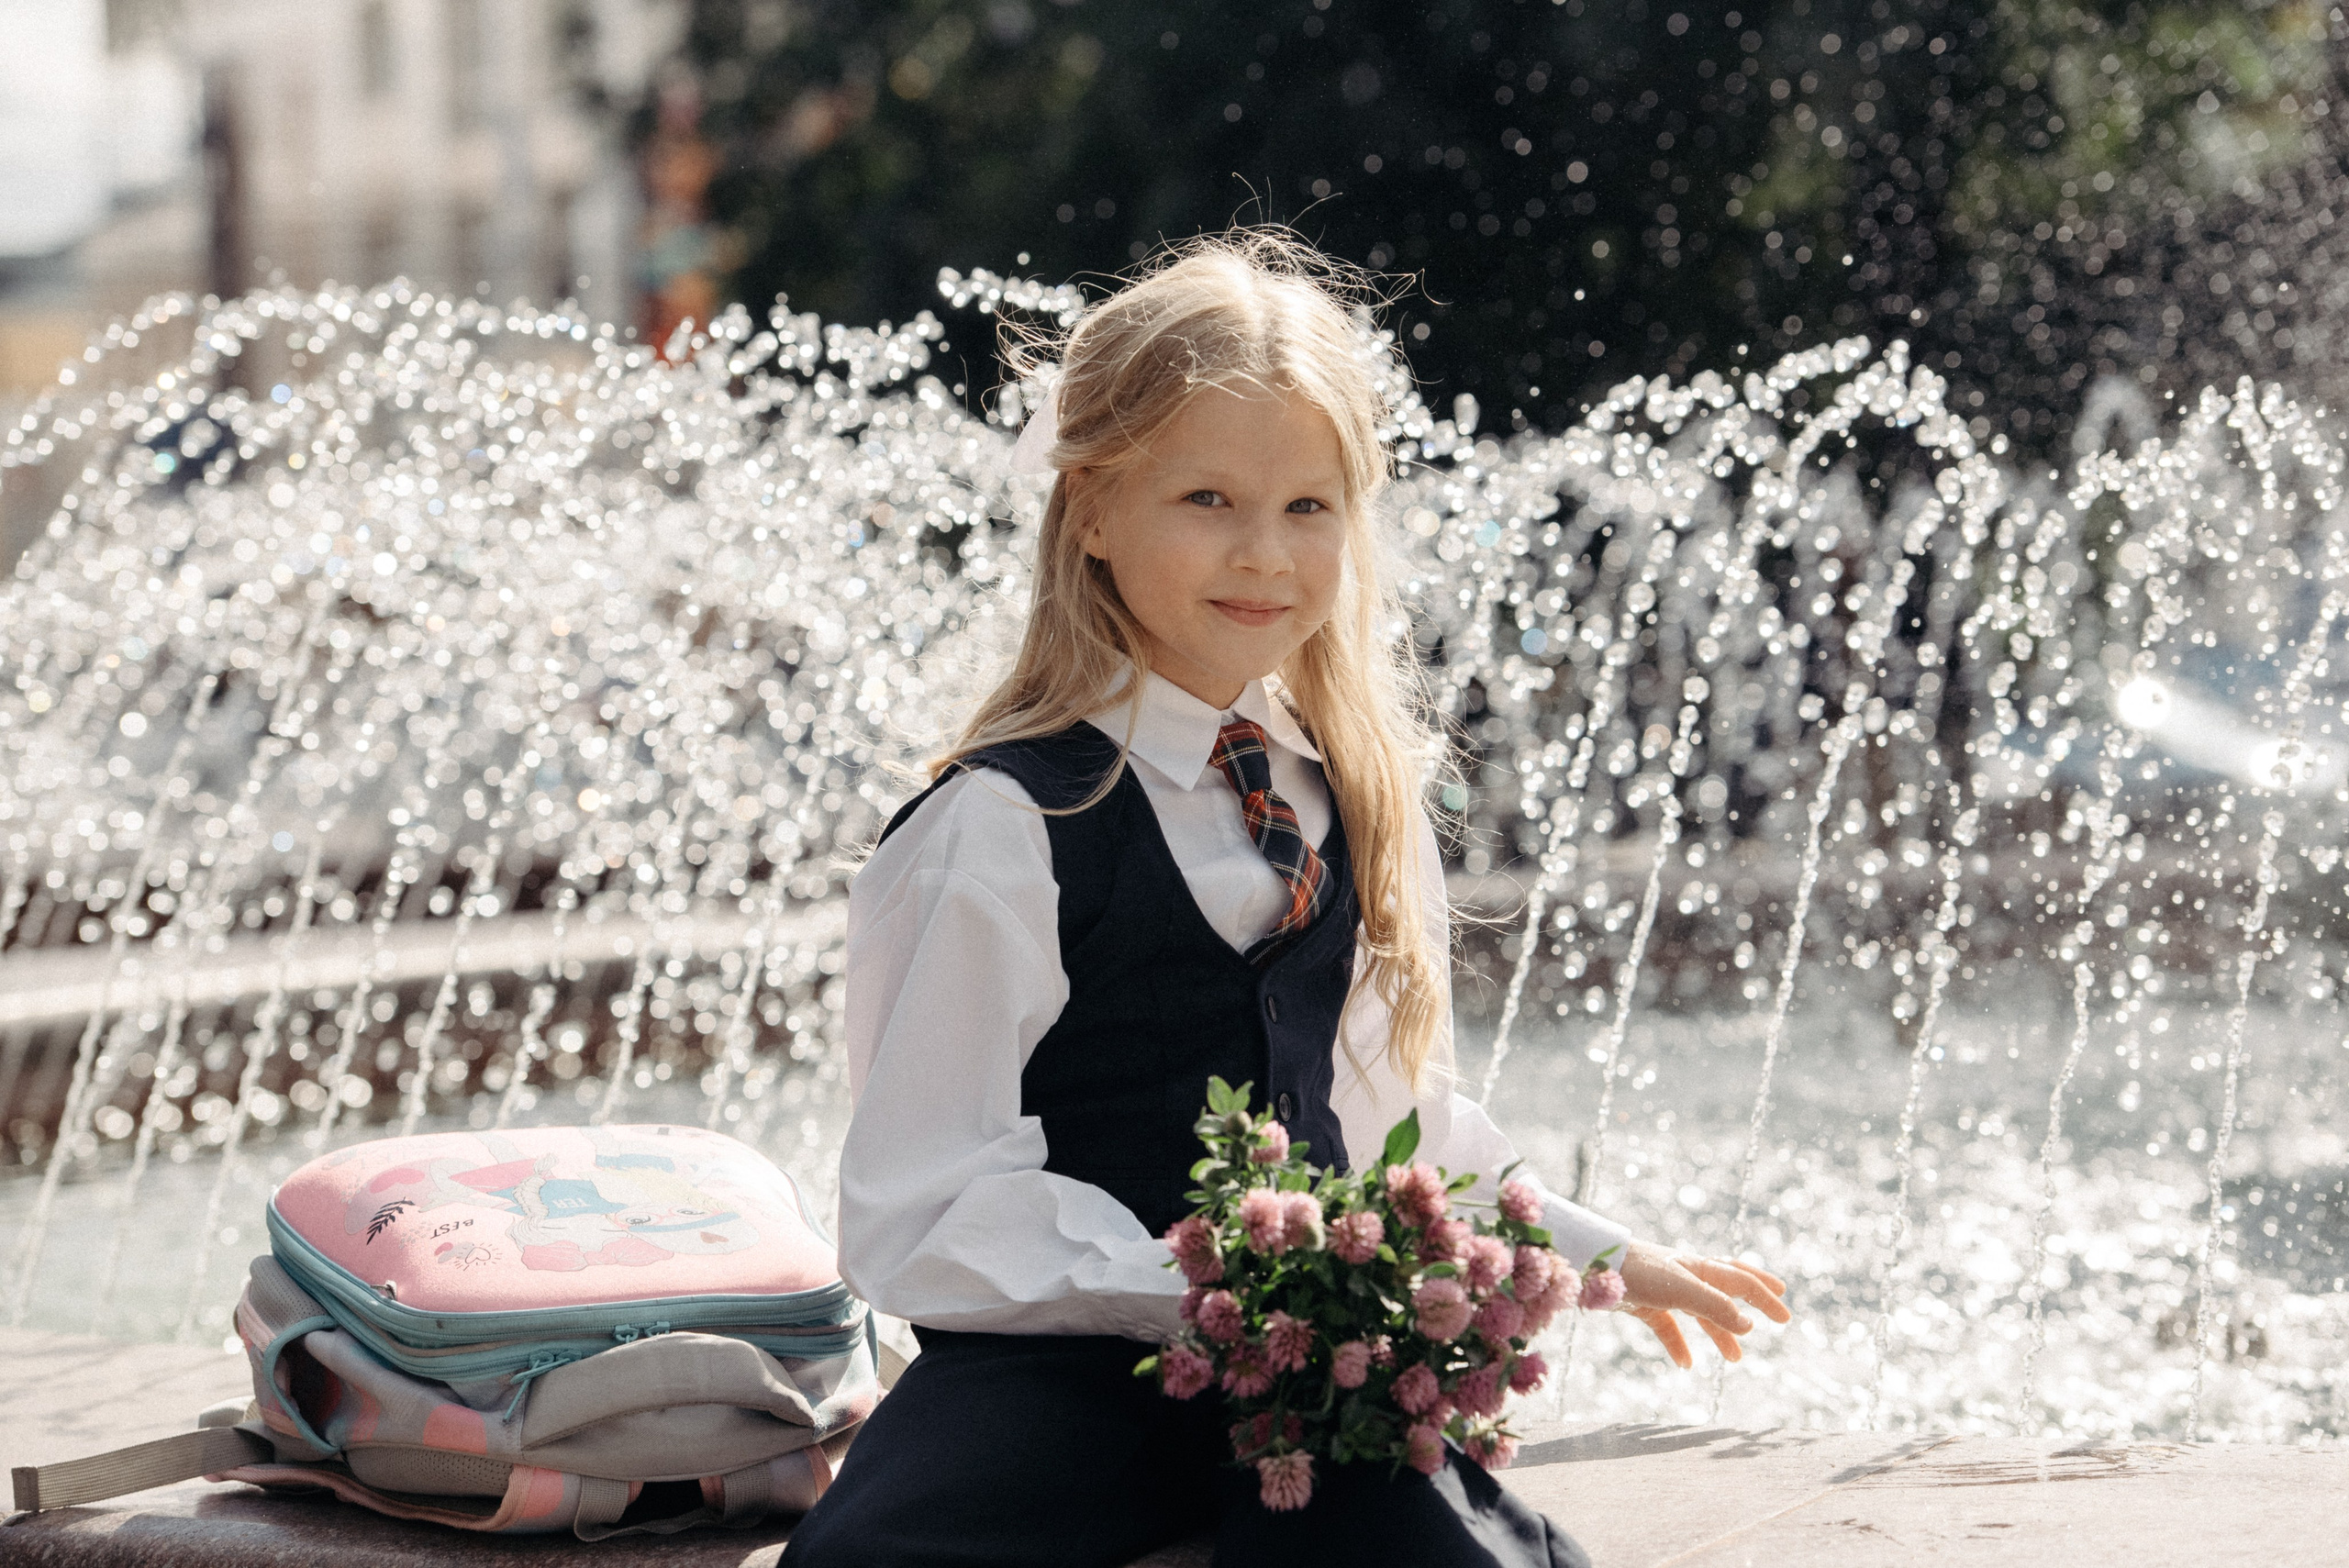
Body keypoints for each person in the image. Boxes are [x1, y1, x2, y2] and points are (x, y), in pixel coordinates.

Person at [785, 230, 1789, 1568]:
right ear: (1093, 510)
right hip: (1054, 1373)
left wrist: (1593, 1255)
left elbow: (1396, 1129)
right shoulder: (1004, 826)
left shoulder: (1350, 798)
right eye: (1207, 498)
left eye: (1309, 506)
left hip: (1307, 1386)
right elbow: (925, 1202)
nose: (1264, 553)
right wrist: (1212, 1294)